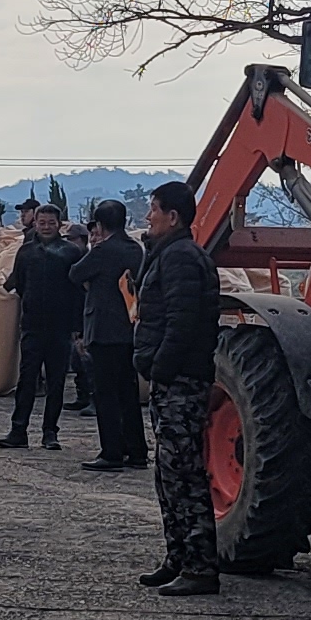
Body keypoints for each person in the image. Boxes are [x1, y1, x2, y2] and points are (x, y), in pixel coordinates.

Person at [134, 181, 223, 594]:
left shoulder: (183, 259)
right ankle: (178, 556)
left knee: (184, 473)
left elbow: (182, 322)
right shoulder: (168, 254)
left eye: (154, 209)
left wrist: (159, 366)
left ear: (173, 217)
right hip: (172, 379)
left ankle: (200, 566)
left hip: (181, 380)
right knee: (167, 474)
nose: (148, 215)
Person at [0, 201, 84, 450]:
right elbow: (21, 285)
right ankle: (18, 430)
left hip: (61, 326)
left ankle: (50, 432)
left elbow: (78, 292)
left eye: (51, 223)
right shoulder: (26, 253)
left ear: (60, 225)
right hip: (32, 325)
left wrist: (76, 326)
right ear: (35, 224)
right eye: (42, 222)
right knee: (27, 379)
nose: (46, 227)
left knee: (56, 381)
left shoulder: (71, 253)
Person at [75, 198, 148, 472]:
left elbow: (75, 273)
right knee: (127, 392)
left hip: (103, 330)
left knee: (105, 394)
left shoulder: (103, 250)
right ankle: (137, 451)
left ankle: (112, 452)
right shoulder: (135, 249)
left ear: (101, 225)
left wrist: (94, 249)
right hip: (128, 329)